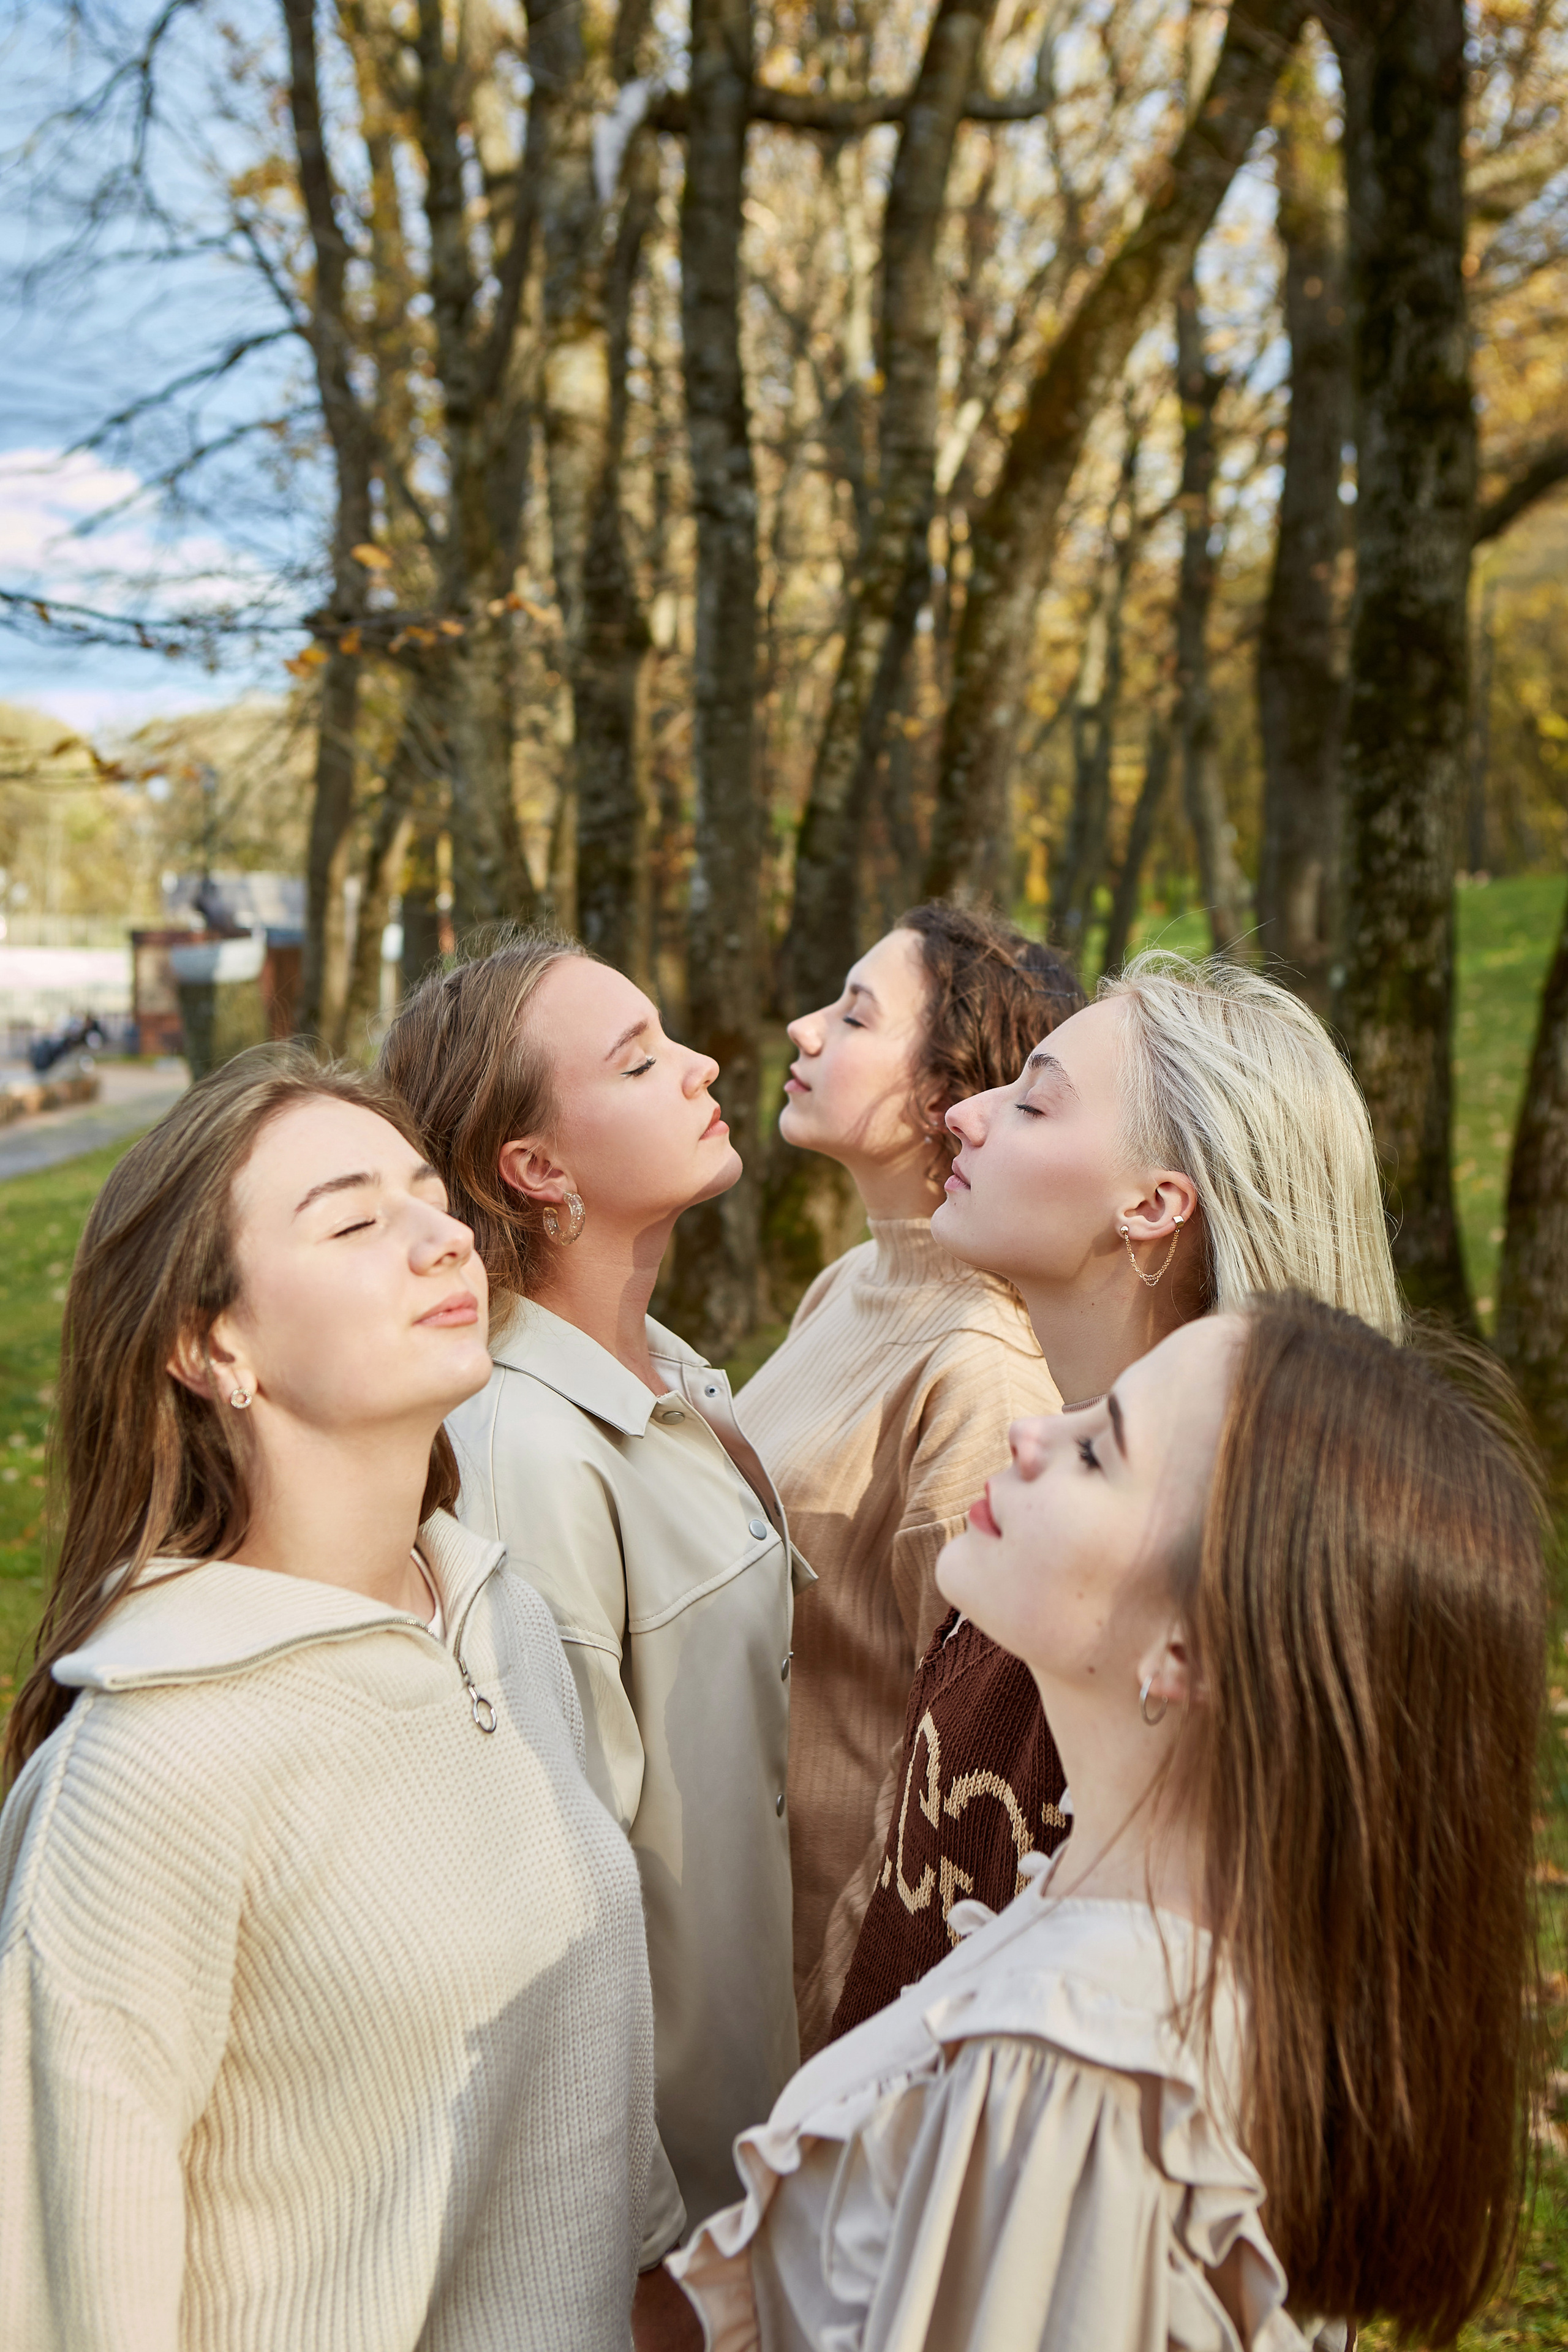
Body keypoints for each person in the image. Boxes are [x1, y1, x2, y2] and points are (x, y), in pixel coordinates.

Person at [671, 1294, 1545, 2351]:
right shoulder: (1188, 1941)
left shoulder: (1071, 2074)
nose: (1030, 1432)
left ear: (1192, 1648)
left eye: (1098, 1452)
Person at [0, 1048, 660, 2352]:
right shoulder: (149, 1766)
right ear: (210, 1345)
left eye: (430, 1197)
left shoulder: (501, 1622)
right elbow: (65, 2301)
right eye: (356, 1221)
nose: (444, 1240)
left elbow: (589, 2141)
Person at [831, 951, 1403, 2040]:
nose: (964, 1115)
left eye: (1035, 1102)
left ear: (1152, 1206)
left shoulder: (1163, 1618)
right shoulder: (1043, 1514)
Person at [380, 934, 800, 2264]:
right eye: (638, 1061)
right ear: (537, 1169)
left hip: (761, 2153)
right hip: (669, 2229)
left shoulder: (663, 1366)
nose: (703, 1067)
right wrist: (641, 2257)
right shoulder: (520, 1453)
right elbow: (551, 1918)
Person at [736, 903, 1084, 2053]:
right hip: (727, 1931)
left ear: (944, 1094)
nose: (804, 1028)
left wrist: (847, 2024)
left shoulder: (980, 1374)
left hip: (830, 1991)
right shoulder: (845, 1285)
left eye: (852, 1014)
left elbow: (950, 1760)